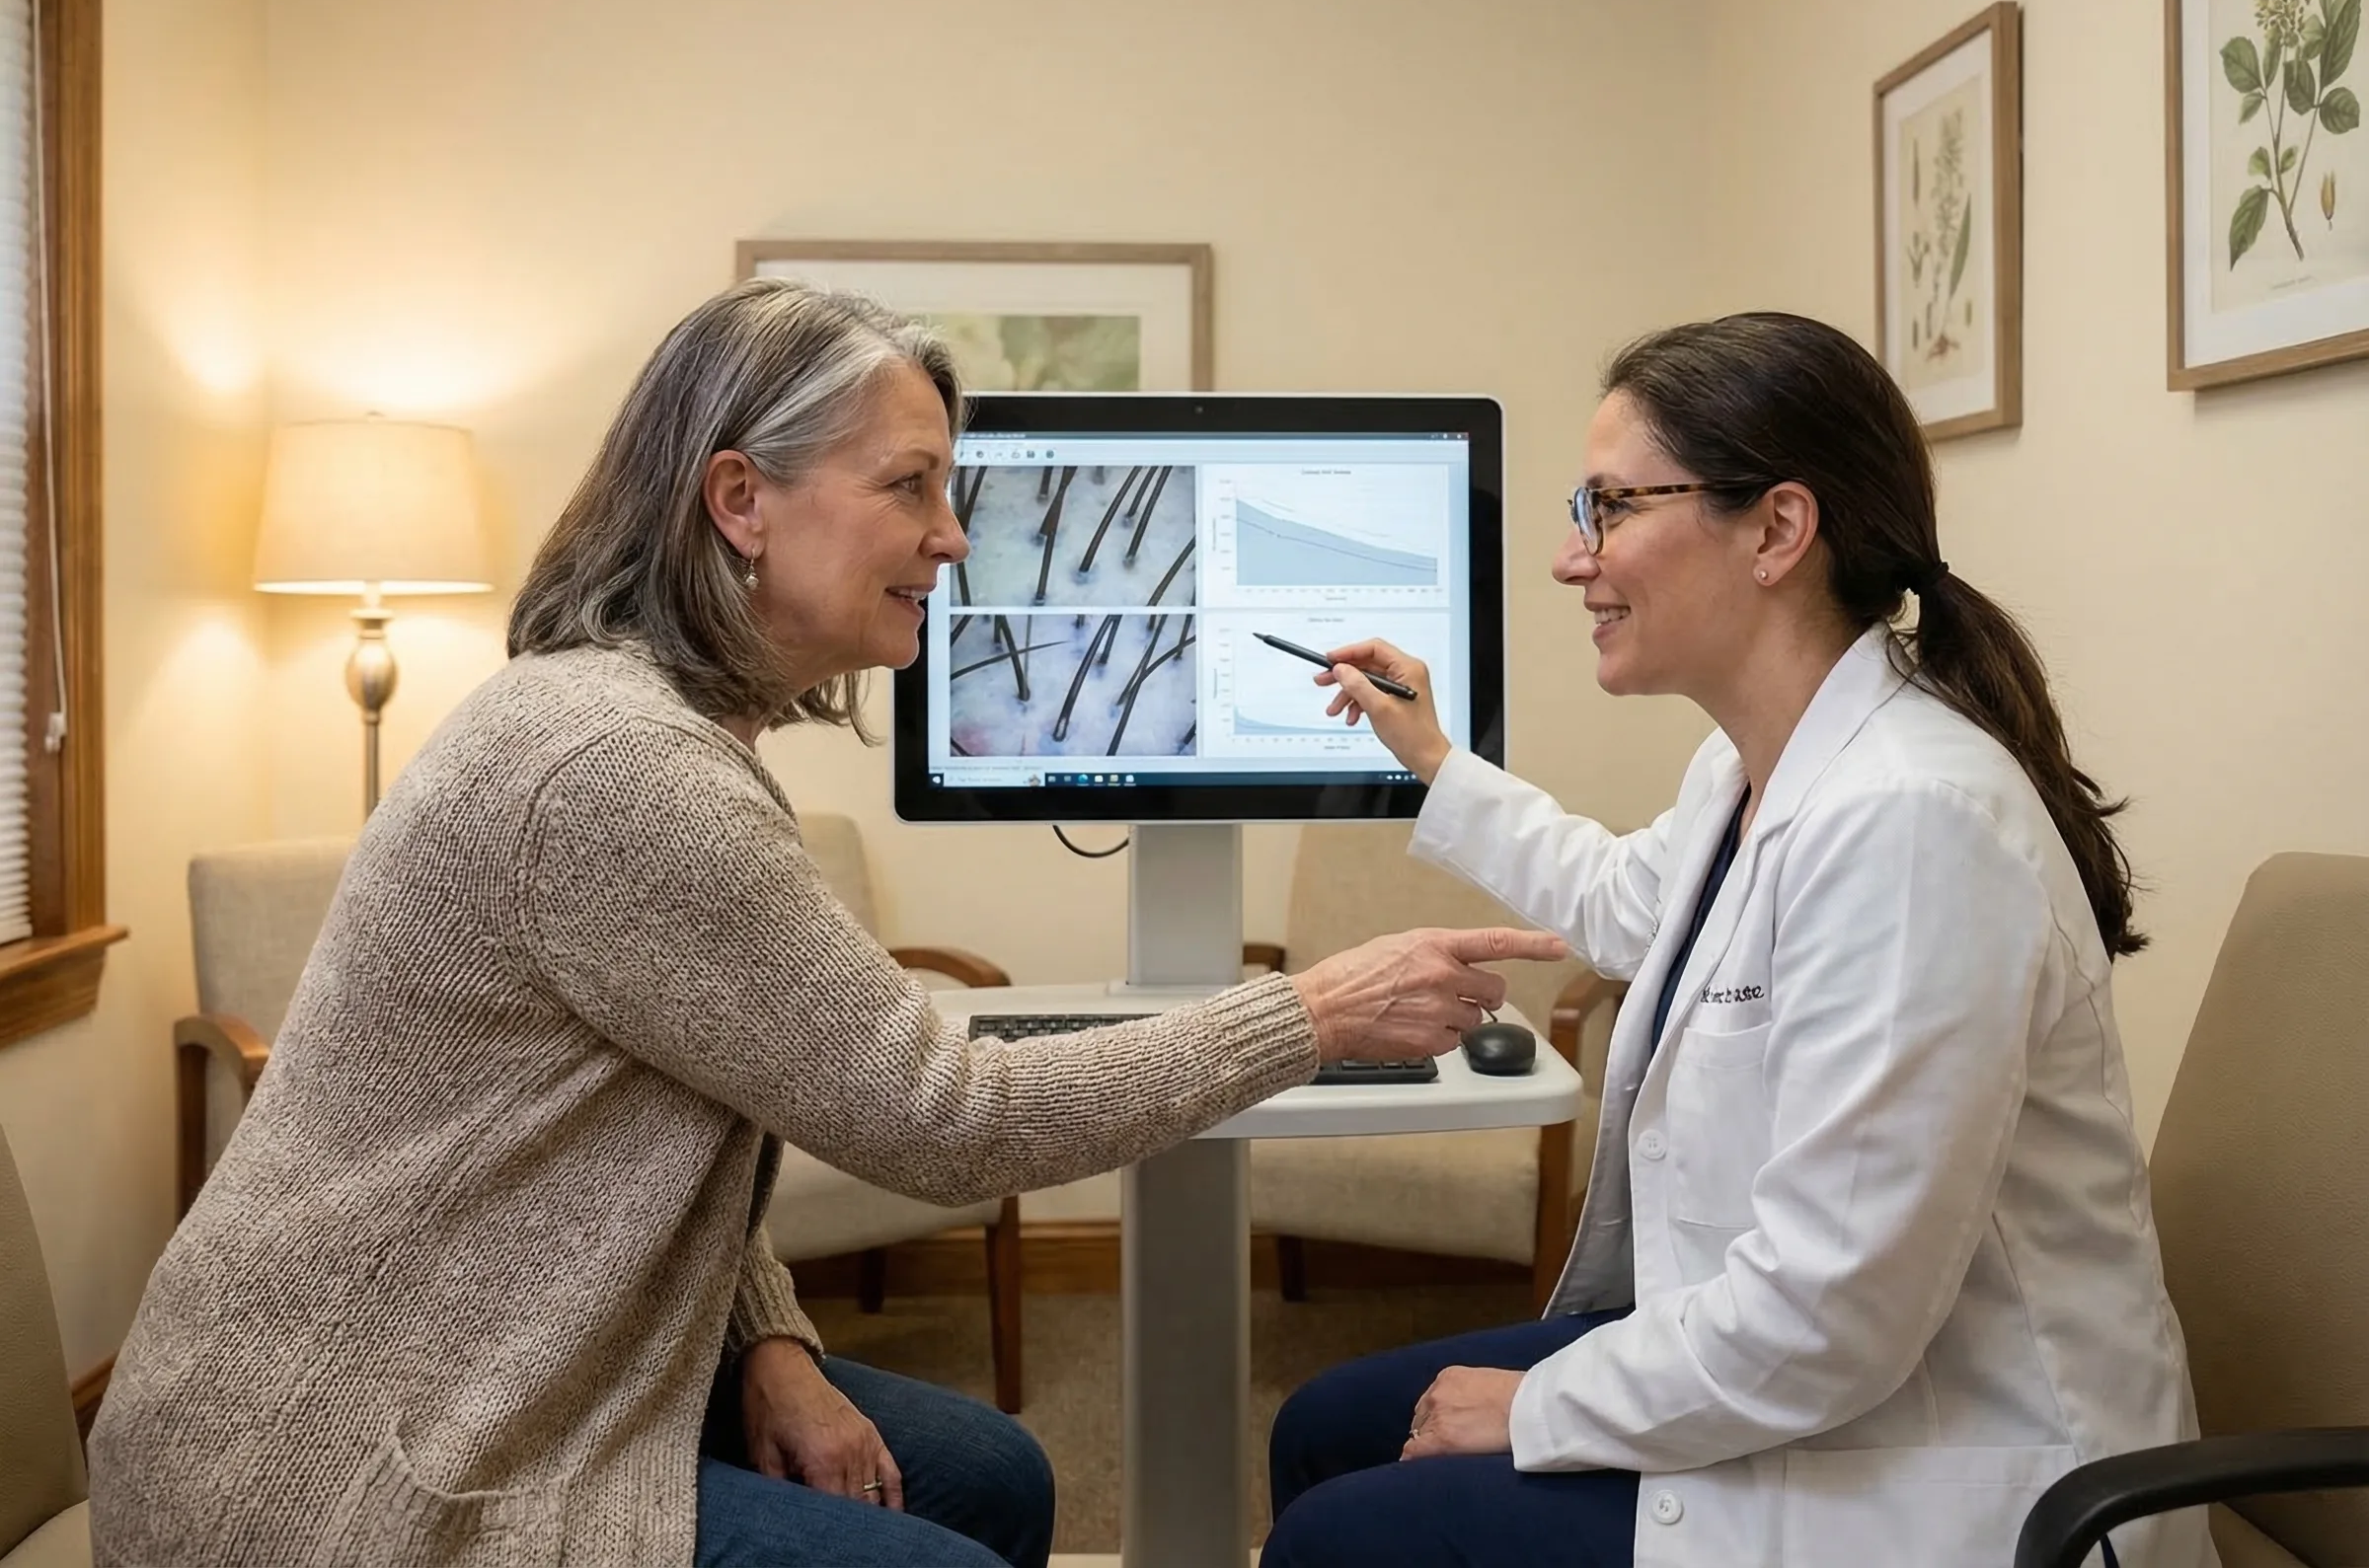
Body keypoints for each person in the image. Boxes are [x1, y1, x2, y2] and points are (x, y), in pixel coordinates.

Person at [87, 279, 1568, 1568]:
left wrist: (771, 1345)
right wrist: (1308, 1013)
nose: (954, 539)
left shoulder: (646, 733)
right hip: (347, 1464)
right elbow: (949, 1124)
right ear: (742, 500)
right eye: (913, 487)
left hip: (513, 1365)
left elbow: (670, 1119)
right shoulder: (620, 773)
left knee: (992, 1472)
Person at [1262, 313, 2213, 1568]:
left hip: (1942, 1463)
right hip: (1804, 1370)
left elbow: (1837, 1312)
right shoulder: (1756, 763)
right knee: (1327, 1427)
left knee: (1343, 1535)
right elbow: (1622, 903)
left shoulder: (1913, 824)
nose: (1569, 557)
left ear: (1776, 529)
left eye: (1608, 506)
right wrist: (1433, 757)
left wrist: (1540, 1407)